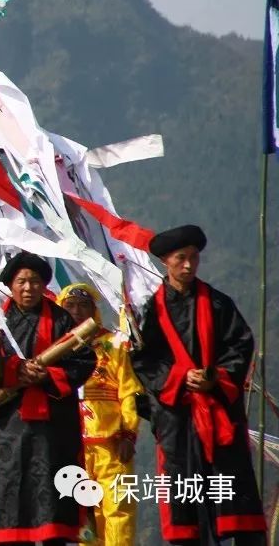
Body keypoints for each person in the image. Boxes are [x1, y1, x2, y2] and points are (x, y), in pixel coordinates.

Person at [130, 225, 265, 544]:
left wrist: (214, 376)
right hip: (178, 420)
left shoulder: (219, 305)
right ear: (166, 261)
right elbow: (144, 360)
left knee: (234, 500)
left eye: (194, 258)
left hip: (219, 416)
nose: (188, 265)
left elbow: (241, 345)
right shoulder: (150, 312)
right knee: (186, 502)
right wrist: (180, 377)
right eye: (181, 258)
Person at [0, 251, 95, 545]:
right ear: (11, 285)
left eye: (34, 282)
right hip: (10, 429)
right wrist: (14, 371)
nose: (28, 288)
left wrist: (47, 376)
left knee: (55, 501)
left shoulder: (62, 320)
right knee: (12, 498)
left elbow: (84, 361)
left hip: (55, 429)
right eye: (22, 281)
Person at [57, 281, 139, 545]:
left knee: (117, 509)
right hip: (72, 445)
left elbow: (128, 391)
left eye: (84, 305)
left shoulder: (114, 344)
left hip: (111, 443)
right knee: (83, 515)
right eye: (70, 306)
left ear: (94, 310)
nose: (78, 311)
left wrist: (128, 433)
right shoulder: (54, 349)